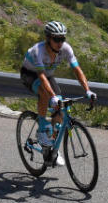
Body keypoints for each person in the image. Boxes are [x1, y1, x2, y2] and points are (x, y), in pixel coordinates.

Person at [19, 21, 96, 166]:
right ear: (48, 38)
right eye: (56, 39)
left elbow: (77, 70)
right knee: (45, 92)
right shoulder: (38, 51)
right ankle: (42, 129)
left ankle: (53, 149)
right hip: (30, 74)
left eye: (62, 39)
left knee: (60, 108)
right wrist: (52, 97)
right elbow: (41, 77)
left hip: (47, 76)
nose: (60, 42)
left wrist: (88, 90)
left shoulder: (66, 49)